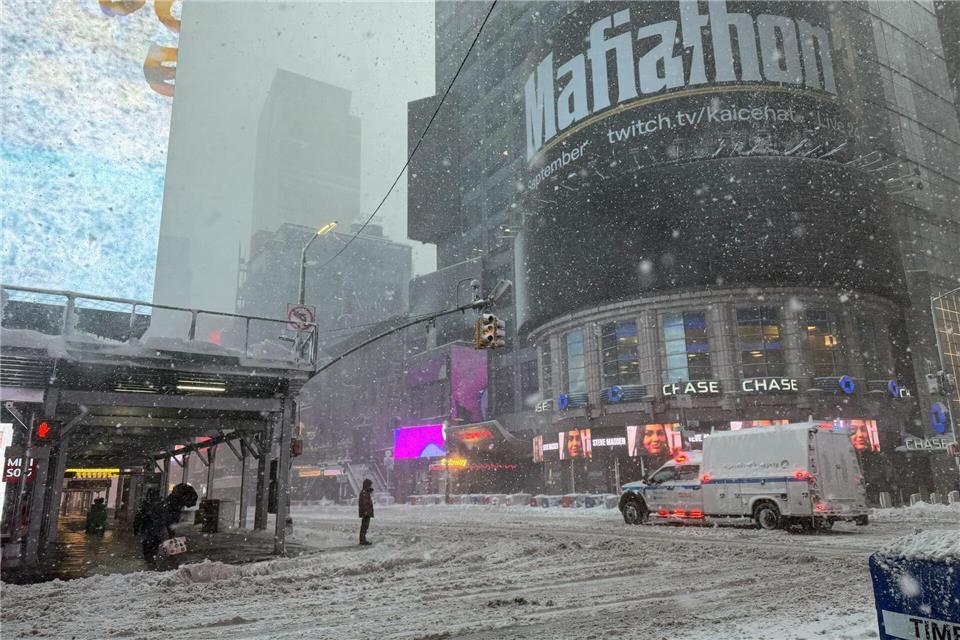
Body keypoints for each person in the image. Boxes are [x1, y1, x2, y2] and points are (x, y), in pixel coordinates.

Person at [134, 483, 198, 564]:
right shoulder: (171, 507)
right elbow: (167, 524)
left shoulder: (163, 504)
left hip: (151, 534)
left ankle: (152, 564)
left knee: (151, 554)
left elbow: (167, 524)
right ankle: (154, 565)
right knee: (152, 554)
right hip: (153, 534)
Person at [358, 478, 374, 546]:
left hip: (367, 512)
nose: (370, 486)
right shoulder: (364, 493)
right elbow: (365, 503)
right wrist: (366, 511)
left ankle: (363, 540)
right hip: (366, 513)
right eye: (370, 485)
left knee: (365, 526)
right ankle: (362, 540)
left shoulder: (365, 492)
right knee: (364, 527)